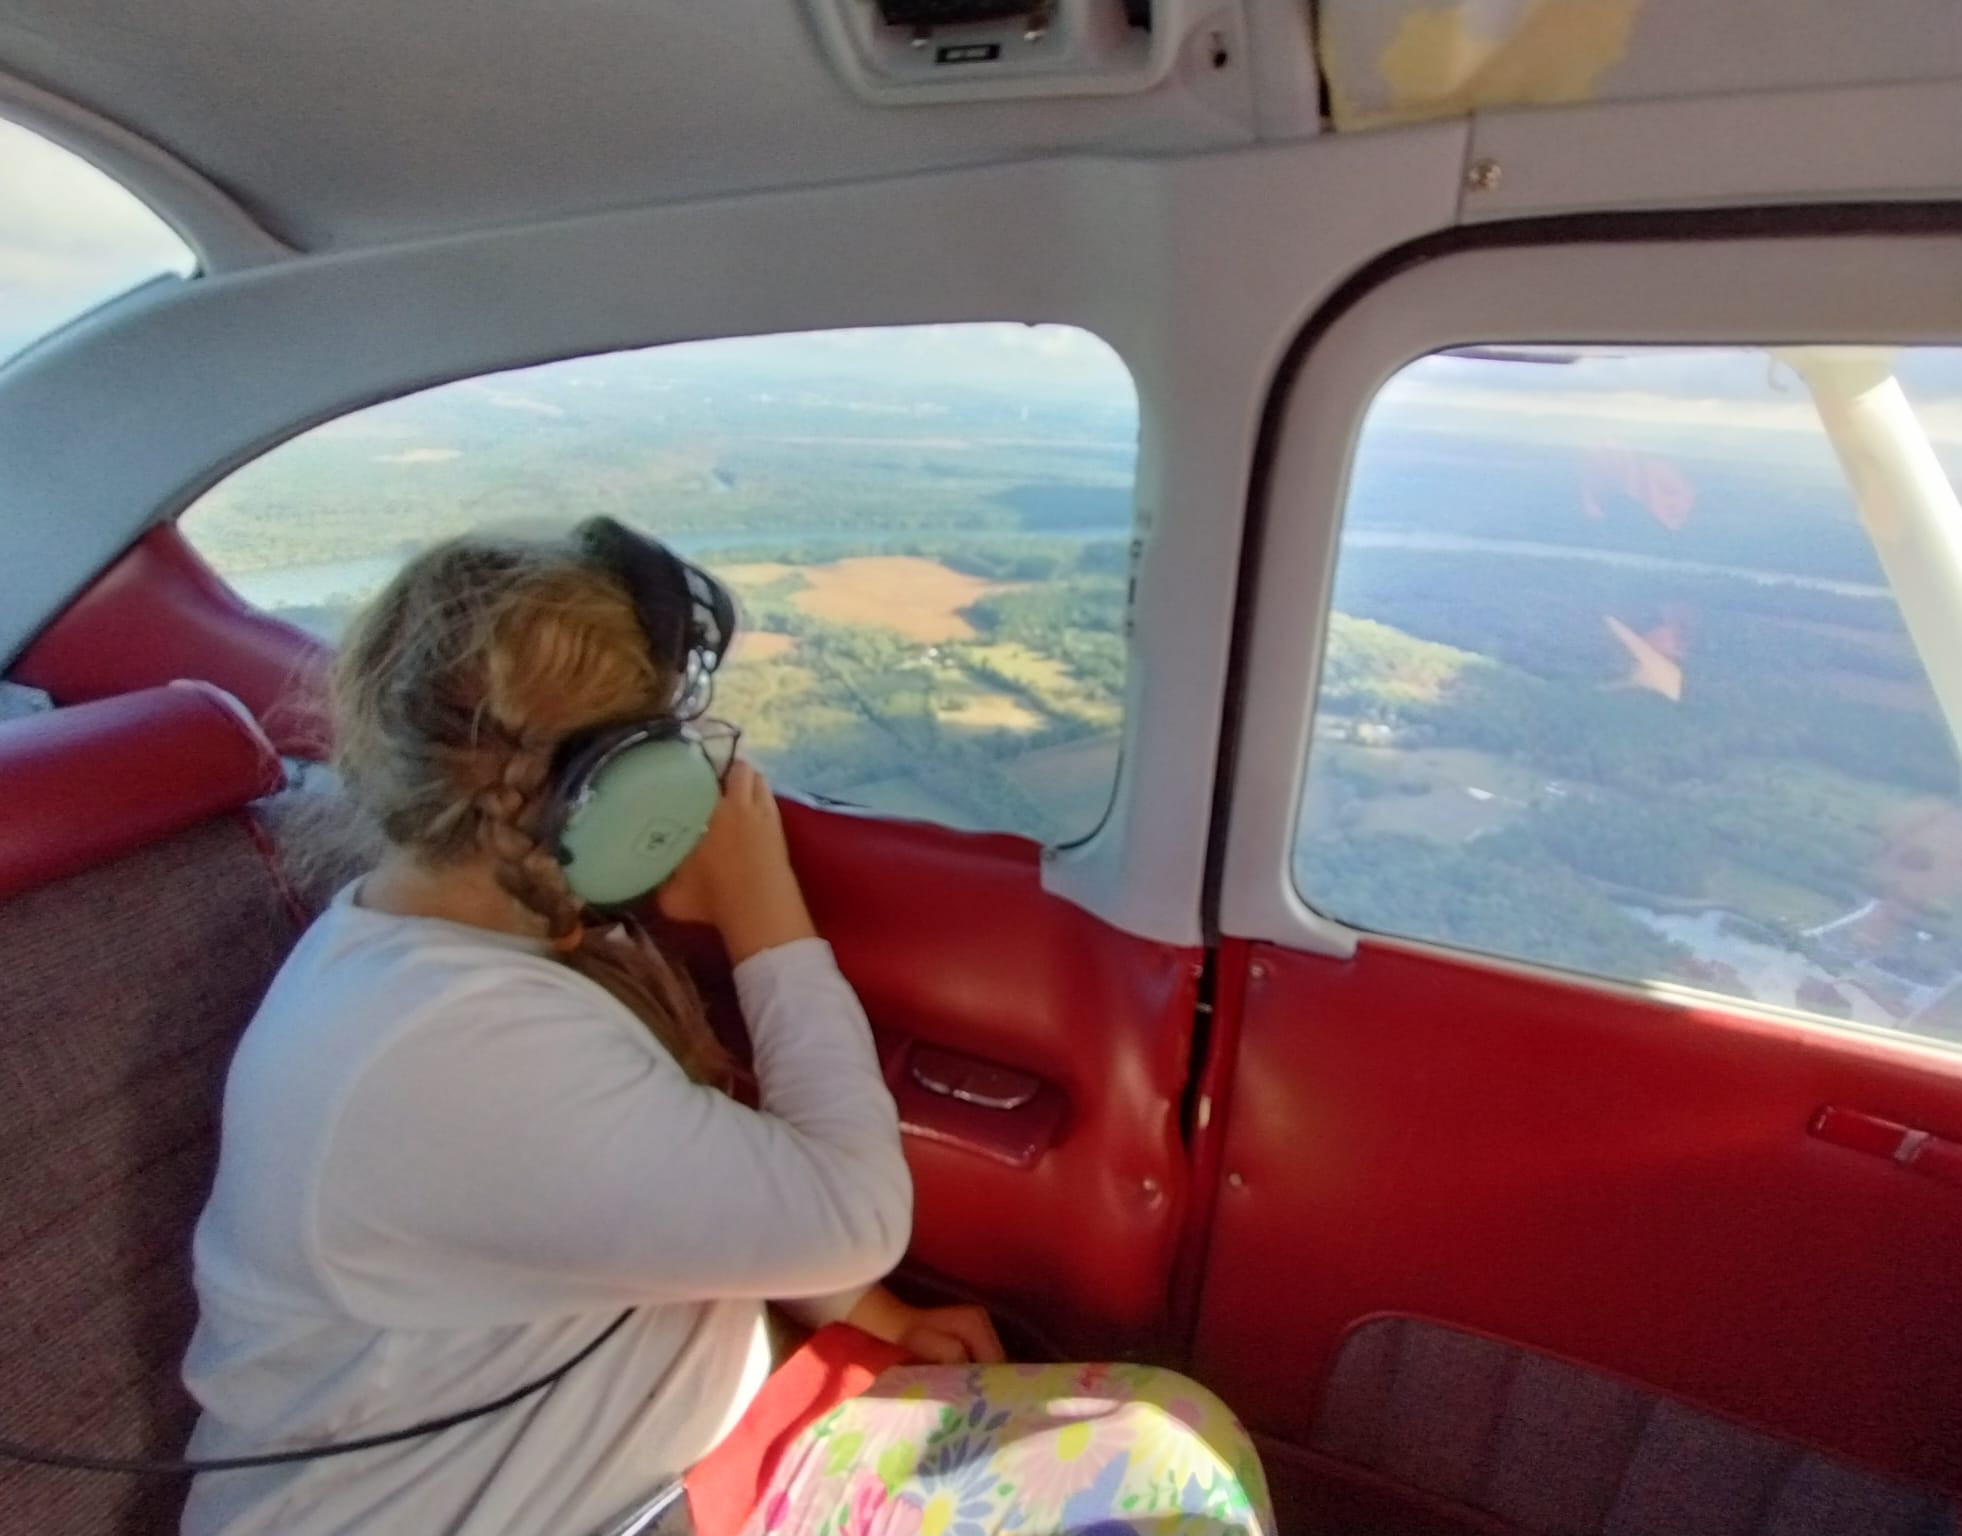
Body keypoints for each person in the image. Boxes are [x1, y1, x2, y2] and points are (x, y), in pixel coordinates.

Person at [181, 522, 1272, 1536]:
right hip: (531, 1508)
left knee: (1172, 1452)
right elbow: (852, 1215)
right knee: (1167, 1480)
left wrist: (866, 1313)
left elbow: (640, 1193)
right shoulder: (459, 1048)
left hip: (618, 1443)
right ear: (618, 788)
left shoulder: (446, 960)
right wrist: (764, 912)